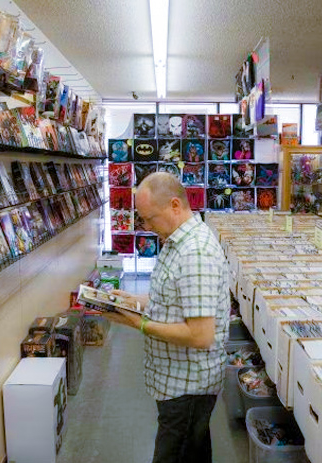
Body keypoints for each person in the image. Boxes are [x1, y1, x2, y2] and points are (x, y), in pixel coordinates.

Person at [104, 172, 229, 463]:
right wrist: (136, 301)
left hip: (187, 388)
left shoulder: (195, 252)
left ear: (175, 205)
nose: (146, 227)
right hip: (179, 384)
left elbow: (201, 335)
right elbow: (175, 297)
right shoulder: (177, 241)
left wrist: (141, 324)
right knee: (193, 452)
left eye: (150, 218)